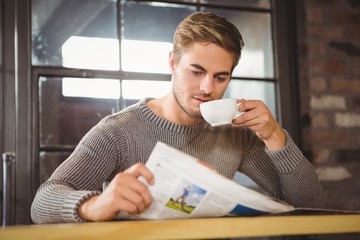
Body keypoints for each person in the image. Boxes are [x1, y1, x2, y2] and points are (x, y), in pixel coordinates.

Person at [31, 12, 326, 224]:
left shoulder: (235, 133)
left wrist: (275, 137)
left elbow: (312, 206)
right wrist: (94, 205)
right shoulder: (118, 131)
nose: (208, 88)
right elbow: (43, 202)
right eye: (196, 71)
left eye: (220, 77)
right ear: (173, 63)